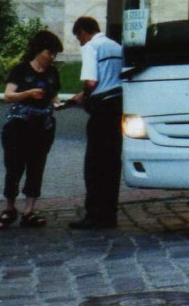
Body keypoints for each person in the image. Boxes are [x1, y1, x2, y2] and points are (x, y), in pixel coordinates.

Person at [0, 29, 63, 230]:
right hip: (19, 125)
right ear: (39, 51)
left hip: (42, 127)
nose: (52, 57)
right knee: (14, 165)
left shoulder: (52, 73)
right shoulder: (21, 70)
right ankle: (9, 208)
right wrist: (28, 93)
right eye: (49, 53)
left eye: (54, 54)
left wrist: (61, 105)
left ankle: (29, 211)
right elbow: (8, 95)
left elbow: (54, 97)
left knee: (37, 166)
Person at [66, 16, 123, 229]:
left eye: (78, 37)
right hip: (118, 107)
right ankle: (110, 213)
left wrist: (82, 96)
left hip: (101, 109)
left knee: (94, 164)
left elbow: (91, 81)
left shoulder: (91, 47)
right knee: (112, 163)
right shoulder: (116, 46)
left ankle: (94, 214)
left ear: (83, 32)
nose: (80, 43)